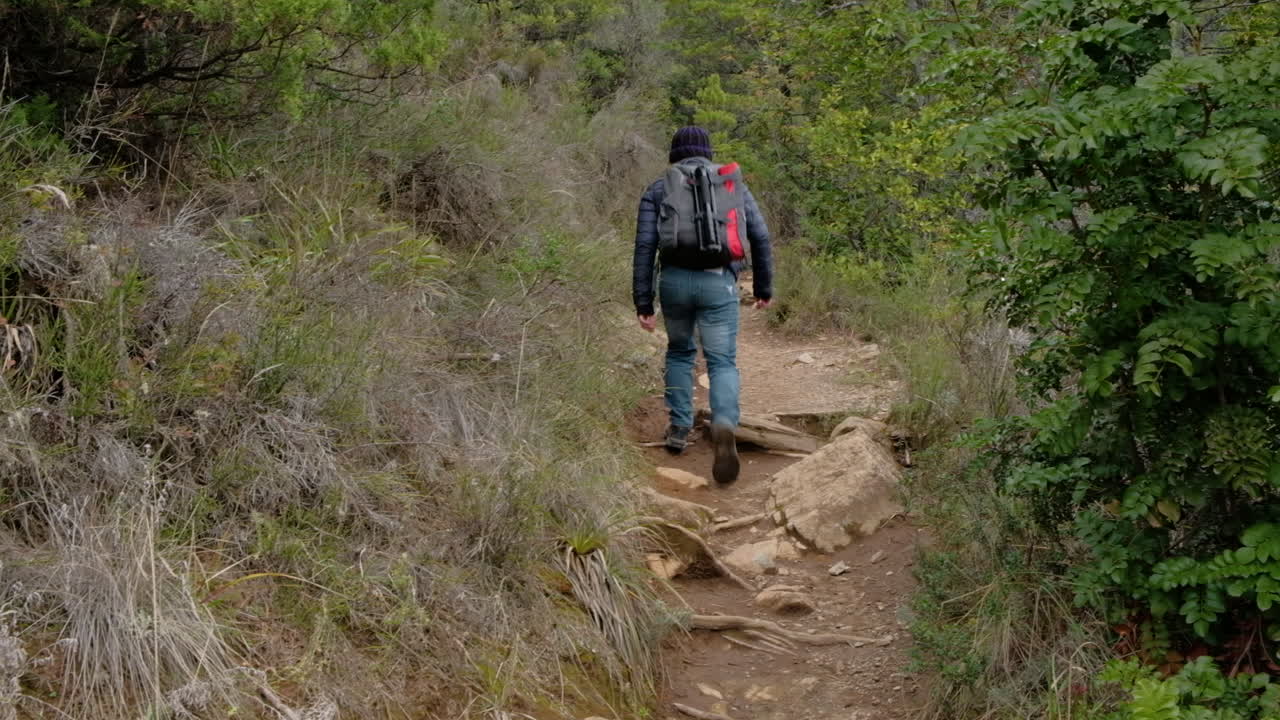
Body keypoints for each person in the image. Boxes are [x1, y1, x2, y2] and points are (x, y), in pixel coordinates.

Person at [632, 126, 774, 485]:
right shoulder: (731, 186)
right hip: (719, 283)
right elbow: (759, 236)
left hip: (675, 283)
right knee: (722, 360)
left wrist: (643, 300)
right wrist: (763, 287)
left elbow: (645, 248)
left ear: (674, 154)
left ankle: (679, 427)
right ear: (708, 153)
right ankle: (724, 422)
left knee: (680, 351)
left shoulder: (658, 188)